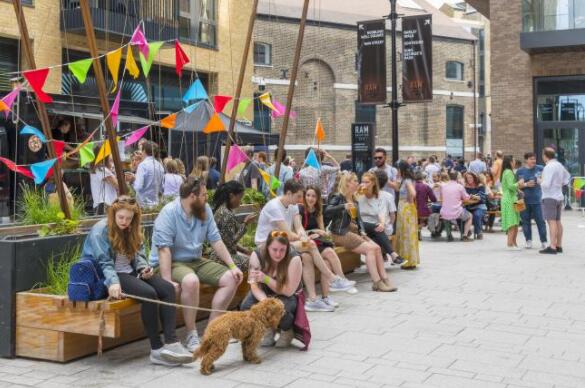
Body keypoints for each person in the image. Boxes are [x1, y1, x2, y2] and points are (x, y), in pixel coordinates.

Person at [84, 196, 192, 366]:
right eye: (121, 217)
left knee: (167, 289)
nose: (125, 221)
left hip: (130, 271)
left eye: (129, 218)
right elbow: (104, 262)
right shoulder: (100, 230)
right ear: (113, 214)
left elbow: (139, 254)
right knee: (149, 294)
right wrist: (113, 282)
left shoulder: (132, 228)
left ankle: (172, 342)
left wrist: (143, 268)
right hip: (109, 275)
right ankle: (156, 349)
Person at [150, 177, 244, 351]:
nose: (207, 197)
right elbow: (164, 250)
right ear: (192, 197)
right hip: (171, 262)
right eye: (203, 194)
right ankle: (192, 335)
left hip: (195, 260)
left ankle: (211, 331)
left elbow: (216, 240)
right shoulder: (169, 213)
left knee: (232, 278)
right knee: (191, 281)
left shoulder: (205, 209)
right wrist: (167, 281)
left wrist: (232, 266)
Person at [254, 180, 353, 311]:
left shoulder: (293, 205)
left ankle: (312, 300)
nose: (301, 199)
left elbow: (299, 227)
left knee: (306, 257)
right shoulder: (274, 206)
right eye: (299, 196)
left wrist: (304, 236)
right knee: (311, 245)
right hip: (266, 246)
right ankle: (333, 278)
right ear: (289, 194)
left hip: (283, 243)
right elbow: (288, 234)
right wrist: (306, 238)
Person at [325, 172, 397, 292]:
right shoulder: (338, 196)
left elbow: (359, 220)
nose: (358, 184)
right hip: (339, 233)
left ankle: (384, 279)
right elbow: (327, 210)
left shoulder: (354, 199)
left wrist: (362, 231)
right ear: (348, 183)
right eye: (355, 181)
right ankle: (377, 282)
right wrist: (343, 206)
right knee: (370, 249)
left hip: (351, 231)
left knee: (377, 248)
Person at [240, 231, 303, 348]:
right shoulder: (257, 255)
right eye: (274, 249)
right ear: (267, 246)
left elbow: (288, 291)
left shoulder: (294, 258)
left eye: (282, 250)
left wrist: (266, 279)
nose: (278, 254)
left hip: (287, 295)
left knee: (282, 309)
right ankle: (268, 328)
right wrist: (265, 302)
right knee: (246, 306)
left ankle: (287, 329)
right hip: (264, 292)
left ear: (287, 248)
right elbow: (253, 285)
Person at [299, 185, 357, 306]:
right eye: (308, 195)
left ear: (317, 198)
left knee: (328, 259)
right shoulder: (300, 210)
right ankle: (340, 281)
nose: (310, 198)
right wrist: (312, 232)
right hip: (304, 243)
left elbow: (323, 232)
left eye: (313, 196)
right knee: (322, 255)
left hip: (317, 242)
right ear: (304, 197)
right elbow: (298, 231)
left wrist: (320, 232)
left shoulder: (318, 211)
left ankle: (330, 293)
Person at [357, 172, 405, 266]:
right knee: (376, 228)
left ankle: (381, 261)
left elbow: (381, 213)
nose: (364, 185)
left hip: (373, 228)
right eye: (362, 182)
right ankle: (393, 255)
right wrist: (357, 193)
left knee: (376, 232)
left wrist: (382, 223)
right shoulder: (358, 195)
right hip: (360, 225)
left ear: (373, 183)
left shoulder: (379, 197)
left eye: (367, 182)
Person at [209, 181, 255, 271]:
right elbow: (231, 242)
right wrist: (245, 224)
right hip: (222, 258)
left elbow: (227, 240)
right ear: (231, 196)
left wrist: (245, 250)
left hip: (221, 255)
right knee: (254, 263)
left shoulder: (222, 209)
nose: (240, 201)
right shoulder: (226, 214)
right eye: (239, 197)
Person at [539, 147, 571, 254]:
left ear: (545, 156)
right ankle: (559, 245)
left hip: (549, 196)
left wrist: (539, 181)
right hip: (558, 196)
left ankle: (552, 246)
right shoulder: (559, 165)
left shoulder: (548, 167)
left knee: (551, 221)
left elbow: (546, 184)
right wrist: (559, 184)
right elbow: (567, 178)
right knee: (558, 221)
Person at [516, 152, 547, 249]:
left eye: (534, 159)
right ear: (526, 160)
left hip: (538, 200)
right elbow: (515, 187)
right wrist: (525, 185)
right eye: (531, 159)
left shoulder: (540, 168)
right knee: (525, 221)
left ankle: (544, 241)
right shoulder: (520, 171)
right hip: (521, 200)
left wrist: (541, 181)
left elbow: (546, 181)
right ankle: (528, 240)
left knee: (541, 221)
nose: (533, 161)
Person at [395, 161, 422, 267]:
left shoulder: (407, 180)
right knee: (406, 234)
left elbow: (413, 193)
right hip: (405, 208)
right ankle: (409, 260)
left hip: (406, 209)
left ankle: (409, 261)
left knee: (407, 234)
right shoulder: (404, 180)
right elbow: (397, 188)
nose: (396, 171)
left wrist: (409, 199)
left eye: (397, 169)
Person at [126, 141, 164, 208]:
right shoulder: (160, 166)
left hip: (143, 205)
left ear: (144, 151)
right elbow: (161, 188)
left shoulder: (143, 165)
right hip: (156, 205)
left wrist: (132, 180)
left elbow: (138, 187)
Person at [440, 171, 473, 242]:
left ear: (449, 177)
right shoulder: (459, 187)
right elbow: (466, 198)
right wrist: (470, 196)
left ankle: (449, 234)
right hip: (456, 211)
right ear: (457, 178)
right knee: (470, 216)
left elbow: (442, 198)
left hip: (444, 211)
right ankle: (465, 235)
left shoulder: (443, 186)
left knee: (446, 216)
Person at [500, 155, 521, 250]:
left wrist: (519, 189)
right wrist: (519, 183)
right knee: (512, 222)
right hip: (510, 199)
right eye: (513, 161)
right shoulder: (508, 172)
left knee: (516, 221)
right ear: (510, 162)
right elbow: (510, 186)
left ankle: (514, 243)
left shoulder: (507, 172)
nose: (515, 162)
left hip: (514, 198)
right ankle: (510, 244)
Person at [89, 148, 118, 215]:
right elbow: (117, 185)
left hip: (101, 204)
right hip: (106, 204)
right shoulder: (102, 169)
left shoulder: (96, 169)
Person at [463, 172, 487, 240]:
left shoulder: (480, 186)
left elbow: (481, 197)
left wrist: (473, 196)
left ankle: (479, 232)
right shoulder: (465, 187)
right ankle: (467, 231)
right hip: (467, 206)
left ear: (474, 178)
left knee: (477, 215)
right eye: (467, 178)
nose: (469, 179)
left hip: (479, 205)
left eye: (470, 177)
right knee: (460, 214)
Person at [414, 170, 437, 239]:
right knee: (428, 217)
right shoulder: (426, 187)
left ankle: (418, 231)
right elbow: (434, 199)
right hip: (423, 210)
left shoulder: (411, 186)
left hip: (412, 209)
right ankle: (419, 229)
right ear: (422, 178)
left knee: (417, 218)